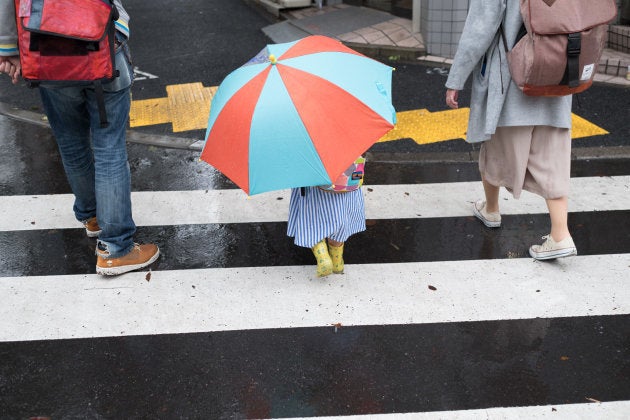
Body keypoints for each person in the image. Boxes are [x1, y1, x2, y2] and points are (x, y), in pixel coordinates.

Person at [0, 0, 159, 275]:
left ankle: (93, 217)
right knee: (109, 147)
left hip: (45, 46)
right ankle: (116, 248)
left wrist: (8, 48)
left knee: (71, 141)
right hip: (102, 43)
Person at [444, 0, 577, 261]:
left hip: (512, 82)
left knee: (495, 148)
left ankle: (491, 209)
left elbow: (479, 29)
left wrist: (456, 78)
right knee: (552, 160)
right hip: (558, 75)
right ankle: (561, 234)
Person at [287, 158, 366, 277]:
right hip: (348, 180)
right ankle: (337, 262)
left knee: (312, 219)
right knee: (342, 217)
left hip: (318, 180)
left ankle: (323, 258)